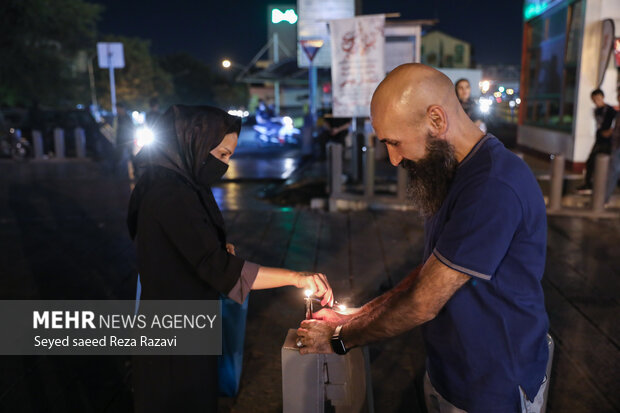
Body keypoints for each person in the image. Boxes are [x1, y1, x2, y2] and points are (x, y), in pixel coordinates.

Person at [297, 64, 549, 413]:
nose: (394, 158)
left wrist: (340, 340)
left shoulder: (491, 187)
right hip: (454, 371)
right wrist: (353, 317)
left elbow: (423, 302)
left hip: (493, 384)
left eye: (395, 142)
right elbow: (429, 275)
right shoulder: (455, 171)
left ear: (436, 120)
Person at [127, 105, 334, 412]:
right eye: (222, 154)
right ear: (195, 143)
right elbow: (221, 270)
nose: (225, 163)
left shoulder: (175, 182)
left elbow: (186, 247)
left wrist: (213, 247)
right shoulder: (173, 193)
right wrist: (296, 277)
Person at [577, 89, 617, 193]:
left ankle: (599, 186)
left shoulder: (610, 110)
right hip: (599, 140)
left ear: (602, 97)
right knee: (591, 162)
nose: (596, 101)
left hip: (608, 141)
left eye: (598, 99)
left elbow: (616, 121)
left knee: (602, 163)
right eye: (594, 99)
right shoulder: (596, 110)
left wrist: (610, 131)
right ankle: (589, 184)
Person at [606, 86, 620, 203]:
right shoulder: (618, 113)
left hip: (617, 147)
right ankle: (602, 199)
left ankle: (602, 200)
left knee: (613, 172)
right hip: (616, 146)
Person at [115, 102, 135, 175]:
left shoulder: (127, 117)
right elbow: (117, 130)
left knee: (130, 156)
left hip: (127, 139)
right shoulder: (118, 117)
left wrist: (131, 139)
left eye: (118, 109)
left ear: (122, 108)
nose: (117, 110)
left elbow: (131, 129)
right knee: (118, 156)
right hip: (121, 140)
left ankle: (135, 171)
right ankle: (118, 172)